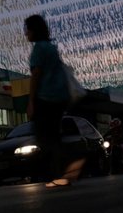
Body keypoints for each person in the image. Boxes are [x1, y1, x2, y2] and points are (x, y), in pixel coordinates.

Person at [24, 14, 85, 188]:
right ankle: (62, 175)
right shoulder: (51, 48)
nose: (26, 34)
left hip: (46, 98)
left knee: (44, 136)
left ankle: (73, 160)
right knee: (53, 136)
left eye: (28, 30)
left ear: (35, 31)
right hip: (60, 98)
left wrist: (31, 102)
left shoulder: (39, 49)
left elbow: (36, 75)